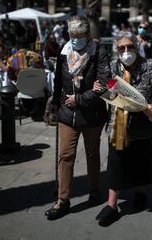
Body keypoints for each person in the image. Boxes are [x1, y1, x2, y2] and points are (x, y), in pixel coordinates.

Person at [92, 31, 152, 224]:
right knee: (116, 165)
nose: (126, 51)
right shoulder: (111, 68)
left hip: (142, 127)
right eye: (121, 48)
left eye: (130, 47)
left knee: (141, 163)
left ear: (136, 46)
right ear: (116, 50)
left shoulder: (150, 68)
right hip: (117, 126)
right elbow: (107, 92)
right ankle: (111, 205)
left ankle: (140, 192)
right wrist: (98, 90)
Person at [45, 15, 110, 220]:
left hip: (92, 115)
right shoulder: (64, 51)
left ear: (87, 34)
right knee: (65, 156)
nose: (75, 39)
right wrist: (55, 102)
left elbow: (104, 83)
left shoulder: (98, 52)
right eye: (72, 35)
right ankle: (62, 200)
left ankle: (94, 189)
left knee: (92, 154)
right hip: (67, 114)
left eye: (80, 35)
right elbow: (57, 79)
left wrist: (79, 99)